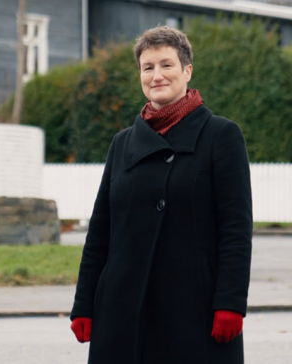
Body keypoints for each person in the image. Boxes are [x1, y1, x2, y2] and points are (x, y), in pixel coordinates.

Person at [69, 26, 252, 364]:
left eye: (166, 65)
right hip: (123, 309)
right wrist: (84, 305)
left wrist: (230, 302)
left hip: (193, 309)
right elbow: (100, 230)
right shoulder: (122, 143)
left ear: (187, 71)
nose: (157, 76)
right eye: (147, 67)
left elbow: (236, 230)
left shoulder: (221, 135)